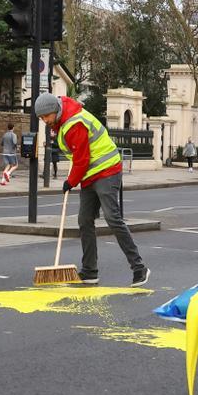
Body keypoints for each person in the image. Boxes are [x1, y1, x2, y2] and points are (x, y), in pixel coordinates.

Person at [34, 92, 149, 287]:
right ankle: (89, 272)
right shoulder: (61, 121)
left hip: (107, 170)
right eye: (42, 118)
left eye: (46, 116)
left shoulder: (74, 124)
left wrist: (70, 181)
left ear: (55, 110)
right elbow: (78, 156)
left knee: (112, 218)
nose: (45, 121)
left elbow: (82, 158)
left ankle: (139, 268)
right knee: (84, 220)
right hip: (89, 174)